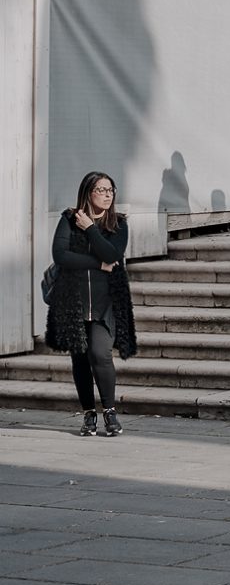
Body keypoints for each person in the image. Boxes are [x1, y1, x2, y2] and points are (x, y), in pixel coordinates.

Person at [46, 172, 136, 438]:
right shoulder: (68, 219)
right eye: (101, 189)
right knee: (80, 359)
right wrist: (97, 264)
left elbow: (112, 254)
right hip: (74, 302)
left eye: (111, 190)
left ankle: (109, 411)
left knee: (100, 353)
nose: (108, 194)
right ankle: (88, 414)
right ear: (88, 192)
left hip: (106, 303)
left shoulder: (119, 224)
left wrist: (91, 230)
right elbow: (60, 255)